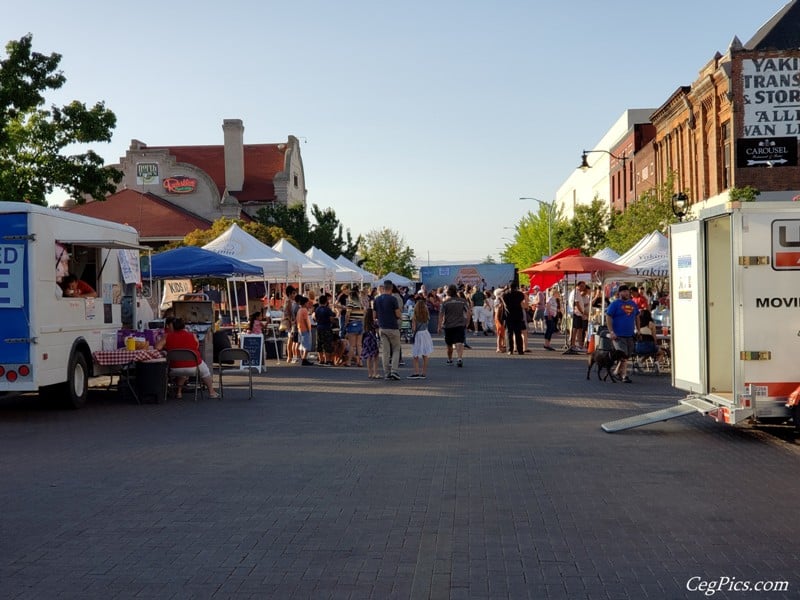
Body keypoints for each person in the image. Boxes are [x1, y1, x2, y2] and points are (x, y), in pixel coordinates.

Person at [156, 317, 219, 399]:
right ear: (184, 326)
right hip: (193, 367)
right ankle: (211, 392)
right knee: (205, 372)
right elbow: (196, 347)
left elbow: (157, 347)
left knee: (182, 369)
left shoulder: (167, 336)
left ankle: (179, 392)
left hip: (174, 368)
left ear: (173, 327)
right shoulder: (192, 335)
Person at [605, 284, 640, 383]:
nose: (626, 293)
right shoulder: (615, 304)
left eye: (627, 291)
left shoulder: (633, 304)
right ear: (619, 293)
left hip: (630, 334)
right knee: (623, 355)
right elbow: (608, 316)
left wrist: (638, 329)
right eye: (623, 291)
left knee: (627, 355)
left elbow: (637, 316)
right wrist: (611, 331)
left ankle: (616, 371)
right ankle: (624, 375)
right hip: (618, 335)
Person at [374, 280, 402, 380]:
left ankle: (387, 373)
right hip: (393, 327)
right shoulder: (393, 299)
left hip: (382, 327)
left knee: (385, 352)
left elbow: (374, 315)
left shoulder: (377, 299)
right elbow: (398, 314)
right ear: (391, 288)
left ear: (384, 288)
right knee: (396, 349)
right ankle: (394, 371)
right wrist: (399, 317)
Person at [439, 284, 470, 367]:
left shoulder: (445, 302)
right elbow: (468, 312)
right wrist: (467, 322)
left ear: (448, 292)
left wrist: (439, 326)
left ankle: (450, 359)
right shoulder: (463, 301)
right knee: (459, 342)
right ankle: (459, 358)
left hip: (448, 326)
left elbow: (441, 315)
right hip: (460, 324)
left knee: (449, 344)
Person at [409, 297, 433, 379]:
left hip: (418, 335)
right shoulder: (427, 315)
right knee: (425, 354)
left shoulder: (415, 316)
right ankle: (424, 373)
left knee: (415, 355)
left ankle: (416, 372)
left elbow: (414, 328)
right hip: (425, 334)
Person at [501, 282, 526, 356]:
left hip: (508, 316)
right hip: (518, 315)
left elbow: (503, 300)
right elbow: (522, 301)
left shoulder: (505, 295)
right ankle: (520, 350)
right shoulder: (520, 294)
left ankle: (510, 350)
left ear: (509, 287)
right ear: (516, 287)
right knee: (518, 333)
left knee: (509, 333)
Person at [313, 294, 335, 365]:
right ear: (326, 302)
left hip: (319, 327)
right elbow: (331, 318)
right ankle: (327, 360)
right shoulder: (327, 309)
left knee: (319, 344)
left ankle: (321, 359)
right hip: (327, 328)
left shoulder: (317, 309)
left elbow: (315, 319)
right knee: (327, 344)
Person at [345, 289, 365, 366]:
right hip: (360, 324)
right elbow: (363, 316)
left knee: (352, 345)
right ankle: (360, 362)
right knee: (359, 345)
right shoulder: (361, 305)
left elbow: (347, 315)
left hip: (352, 324)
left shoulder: (350, 304)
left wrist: (346, 324)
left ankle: (349, 361)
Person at [361, 308, 381, 379]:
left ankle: (370, 373)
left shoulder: (364, 322)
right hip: (373, 340)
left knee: (368, 357)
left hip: (366, 340)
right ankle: (376, 373)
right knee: (375, 357)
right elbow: (378, 332)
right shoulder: (375, 323)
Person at [295, 295, 314, 366]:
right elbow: (306, 320)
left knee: (302, 344)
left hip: (300, 328)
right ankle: (304, 359)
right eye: (307, 303)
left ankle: (302, 358)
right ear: (305, 303)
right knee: (307, 345)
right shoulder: (305, 310)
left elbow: (297, 320)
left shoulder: (299, 310)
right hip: (305, 329)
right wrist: (308, 329)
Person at [493, 288, 507, 353]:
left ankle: (502, 346)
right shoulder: (497, 301)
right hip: (499, 318)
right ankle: (498, 347)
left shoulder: (500, 301)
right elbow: (497, 310)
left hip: (501, 317)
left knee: (502, 333)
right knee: (499, 333)